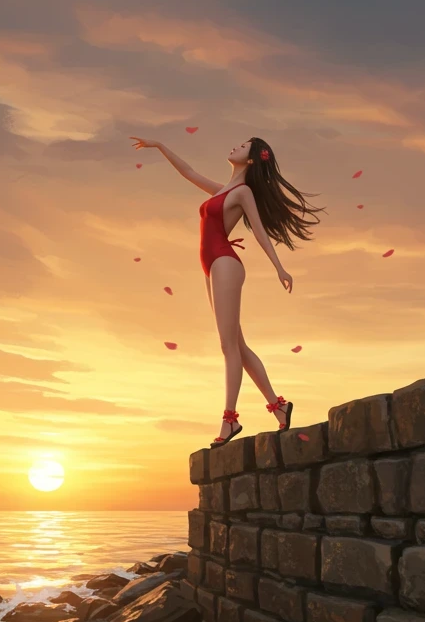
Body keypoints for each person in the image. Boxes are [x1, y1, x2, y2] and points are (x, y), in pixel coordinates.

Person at [130, 135, 325, 446]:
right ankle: (279, 406)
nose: (236, 146)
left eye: (244, 146)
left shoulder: (243, 192)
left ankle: (229, 420)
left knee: (228, 346)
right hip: (211, 267)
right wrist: (160, 146)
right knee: (238, 345)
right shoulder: (223, 190)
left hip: (224, 263)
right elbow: (189, 171)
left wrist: (279, 267)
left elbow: (259, 232)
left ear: (251, 159)